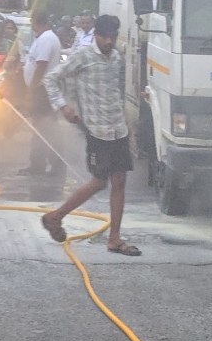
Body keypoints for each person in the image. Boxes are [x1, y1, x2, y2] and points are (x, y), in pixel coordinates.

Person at [40, 14, 141, 256]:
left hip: (118, 129)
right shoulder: (83, 57)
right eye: (104, 36)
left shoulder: (117, 59)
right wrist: (63, 106)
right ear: (96, 35)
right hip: (96, 130)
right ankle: (55, 217)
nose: (108, 41)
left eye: (112, 37)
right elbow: (51, 78)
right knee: (98, 182)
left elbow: (118, 89)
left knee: (119, 182)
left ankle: (114, 239)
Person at [20, 11, 66, 178]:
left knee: (45, 127)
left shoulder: (46, 39)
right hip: (42, 89)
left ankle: (54, 164)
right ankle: (38, 163)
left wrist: (30, 90)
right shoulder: (45, 38)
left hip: (42, 90)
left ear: (35, 23)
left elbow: (41, 65)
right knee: (40, 127)